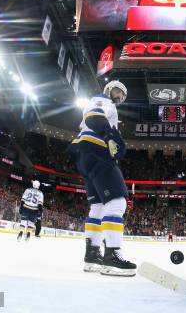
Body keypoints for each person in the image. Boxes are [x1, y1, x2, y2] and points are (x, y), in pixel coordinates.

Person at [67, 80, 136, 276]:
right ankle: (112, 257)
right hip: (96, 152)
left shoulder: (106, 104)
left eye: (122, 95)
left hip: (85, 156)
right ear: (108, 89)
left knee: (97, 207)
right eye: (117, 90)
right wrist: (109, 135)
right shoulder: (102, 100)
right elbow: (93, 115)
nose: (120, 96)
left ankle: (92, 256)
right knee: (117, 202)